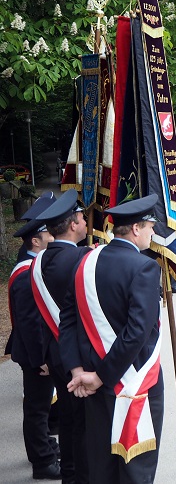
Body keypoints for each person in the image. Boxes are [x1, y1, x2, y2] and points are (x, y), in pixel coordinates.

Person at [62, 195, 164, 484]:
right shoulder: (144, 267)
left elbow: (68, 319)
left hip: (94, 385)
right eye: (150, 227)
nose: (152, 233)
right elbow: (136, 333)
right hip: (134, 385)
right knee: (135, 469)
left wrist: (77, 370)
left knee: (102, 468)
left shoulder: (85, 261)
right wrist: (101, 377)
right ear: (135, 229)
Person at [32, 188, 91, 484]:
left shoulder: (38, 261)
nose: (84, 222)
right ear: (72, 225)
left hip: (55, 354)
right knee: (83, 423)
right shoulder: (83, 260)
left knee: (68, 420)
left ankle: (69, 474)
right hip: (79, 355)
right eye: (81, 218)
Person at [6, 196, 61, 481]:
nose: (53, 237)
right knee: (37, 410)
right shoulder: (28, 274)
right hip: (35, 355)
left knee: (39, 407)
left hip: (35, 352)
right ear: (35, 242)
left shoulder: (33, 266)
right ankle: (42, 462)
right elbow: (30, 325)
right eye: (47, 234)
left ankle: (46, 448)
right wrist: (42, 359)